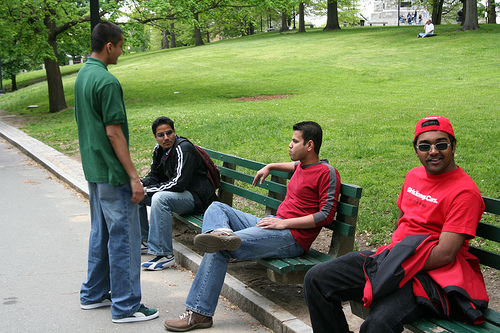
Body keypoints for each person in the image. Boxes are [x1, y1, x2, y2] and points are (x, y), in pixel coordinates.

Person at [304, 116, 488, 333]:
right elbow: (402, 221)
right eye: (425, 146)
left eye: (441, 144)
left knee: (377, 325)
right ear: (415, 149)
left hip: (429, 277)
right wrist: (390, 262)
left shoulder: (464, 192)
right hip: (392, 258)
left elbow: (444, 255)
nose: (433, 151)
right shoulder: (414, 175)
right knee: (316, 280)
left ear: (453, 146)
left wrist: (394, 268)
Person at [164, 121, 341, 331]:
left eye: (295, 141)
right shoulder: (302, 165)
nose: (290, 145)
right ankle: (221, 232)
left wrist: (283, 222)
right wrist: (270, 166)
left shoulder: (327, 173)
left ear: (310, 145)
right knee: (216, 208)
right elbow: (292, 166)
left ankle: (199, 313)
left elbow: (326, 216)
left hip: (291, 236)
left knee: (220, 247)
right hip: (272, 225)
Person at [74, 21, 158, 323]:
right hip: (112, 173)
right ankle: (126, 306)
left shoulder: (84, 75)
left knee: (102, 233)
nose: (122, 51)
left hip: (94, 171)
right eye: (121, 45)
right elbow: (114, 133)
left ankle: (93, 293)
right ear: (109, 45)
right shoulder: (107, 82)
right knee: (124, 239)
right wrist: (134, 177)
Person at [139, 116, 218, 270]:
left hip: (197, 198)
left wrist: (148, 190)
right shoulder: (159, 150)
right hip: (180, 196)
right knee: (135, 194)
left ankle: (165, 255)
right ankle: (144, 241)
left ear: (174, 132)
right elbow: (154, 176)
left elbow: (179, 183)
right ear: (155, 137)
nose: (166, 137)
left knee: (160, 199)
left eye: (169, 133)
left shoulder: (183, 148)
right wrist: (140, 185)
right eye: (161, 135)